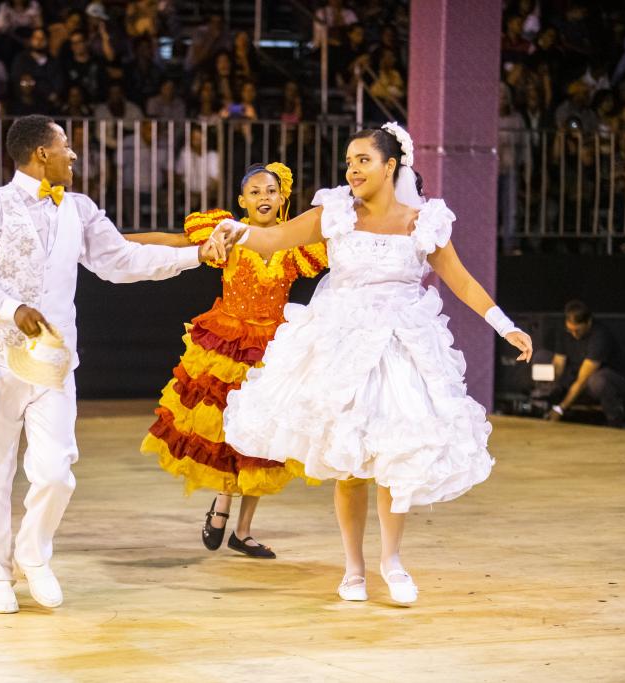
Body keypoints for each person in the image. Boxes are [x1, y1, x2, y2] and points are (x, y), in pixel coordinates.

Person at [214, 123, 533, 604]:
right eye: (348, 161)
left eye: (362, 159)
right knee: (348, 464)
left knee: (393, 457)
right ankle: (354, 568)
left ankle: (392, 560)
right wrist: (234, 231)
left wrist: (504, 324)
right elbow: (274, 239)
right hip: (342, 341)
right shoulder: (336, 213)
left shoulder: (422, 221)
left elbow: (462, 282)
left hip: (401, 344)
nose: (352, 169)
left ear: (390, 166)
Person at [0, 114, 215, 614]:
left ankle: (33, 554)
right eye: (66, 147)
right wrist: (13, 308)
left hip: (53, 359)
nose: (73, 156)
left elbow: (122, 260)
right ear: (40, 155)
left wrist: (196, 256)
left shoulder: (79, 208)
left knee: (55, 471)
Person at [130, 162, 327, 558]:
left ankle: (243, 529)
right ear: (242, 201)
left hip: (274, 346)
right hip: (228, 345)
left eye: (270, 191)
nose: (263, 198)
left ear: (282, 197)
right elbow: (172, 243)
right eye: (254, 192)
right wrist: (113, 240)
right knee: (229, 433)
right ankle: (222, 501)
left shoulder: (297, 244)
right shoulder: (228, 233)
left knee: (264, 439)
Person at [547, 300, 625, 428]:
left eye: (577, 330)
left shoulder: (600, 336)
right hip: (576, 373)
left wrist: (560, 408)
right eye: (570, 330)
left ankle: (614, 418)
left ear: (588, 322)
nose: (574, 334)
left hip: (612, 379)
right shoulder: (564, 331)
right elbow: (558, 363)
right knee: (541, 360)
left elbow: (582, 380)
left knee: (597, 381)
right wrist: (551, 385)